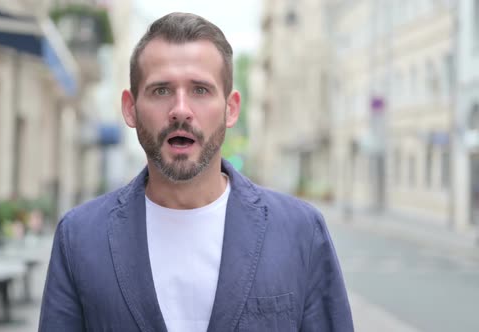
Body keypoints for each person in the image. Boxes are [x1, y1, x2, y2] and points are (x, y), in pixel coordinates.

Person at [39, 12, 353, 332]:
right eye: (161, 90)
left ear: (231, 109)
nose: (181, 110)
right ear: (130, 108)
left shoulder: (300, 231)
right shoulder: (79, 236)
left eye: (200, 90)